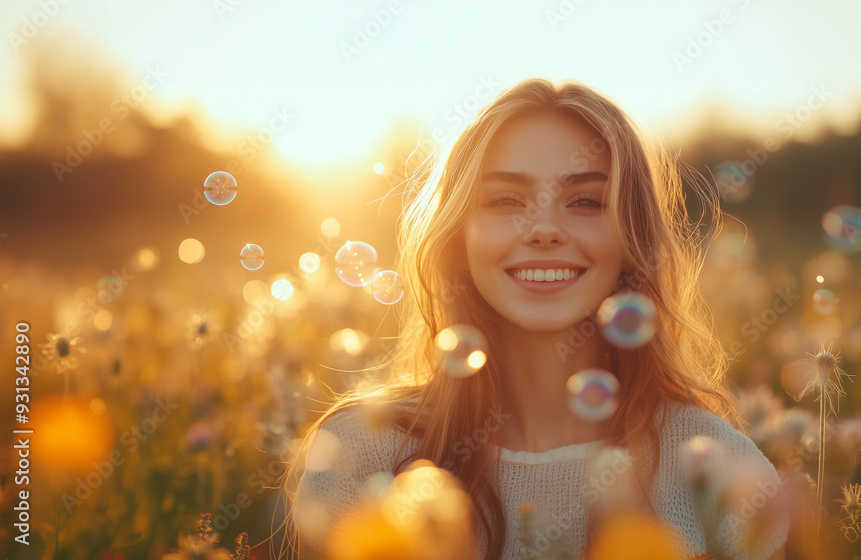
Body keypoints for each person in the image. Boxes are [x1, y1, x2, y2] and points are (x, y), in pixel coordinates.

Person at [279, 77, 790, 560]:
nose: (544, 228)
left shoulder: (720, 468)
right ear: (459, 236)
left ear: (632, 238)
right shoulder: (360, 454)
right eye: (506, 200)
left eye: (585, 200)